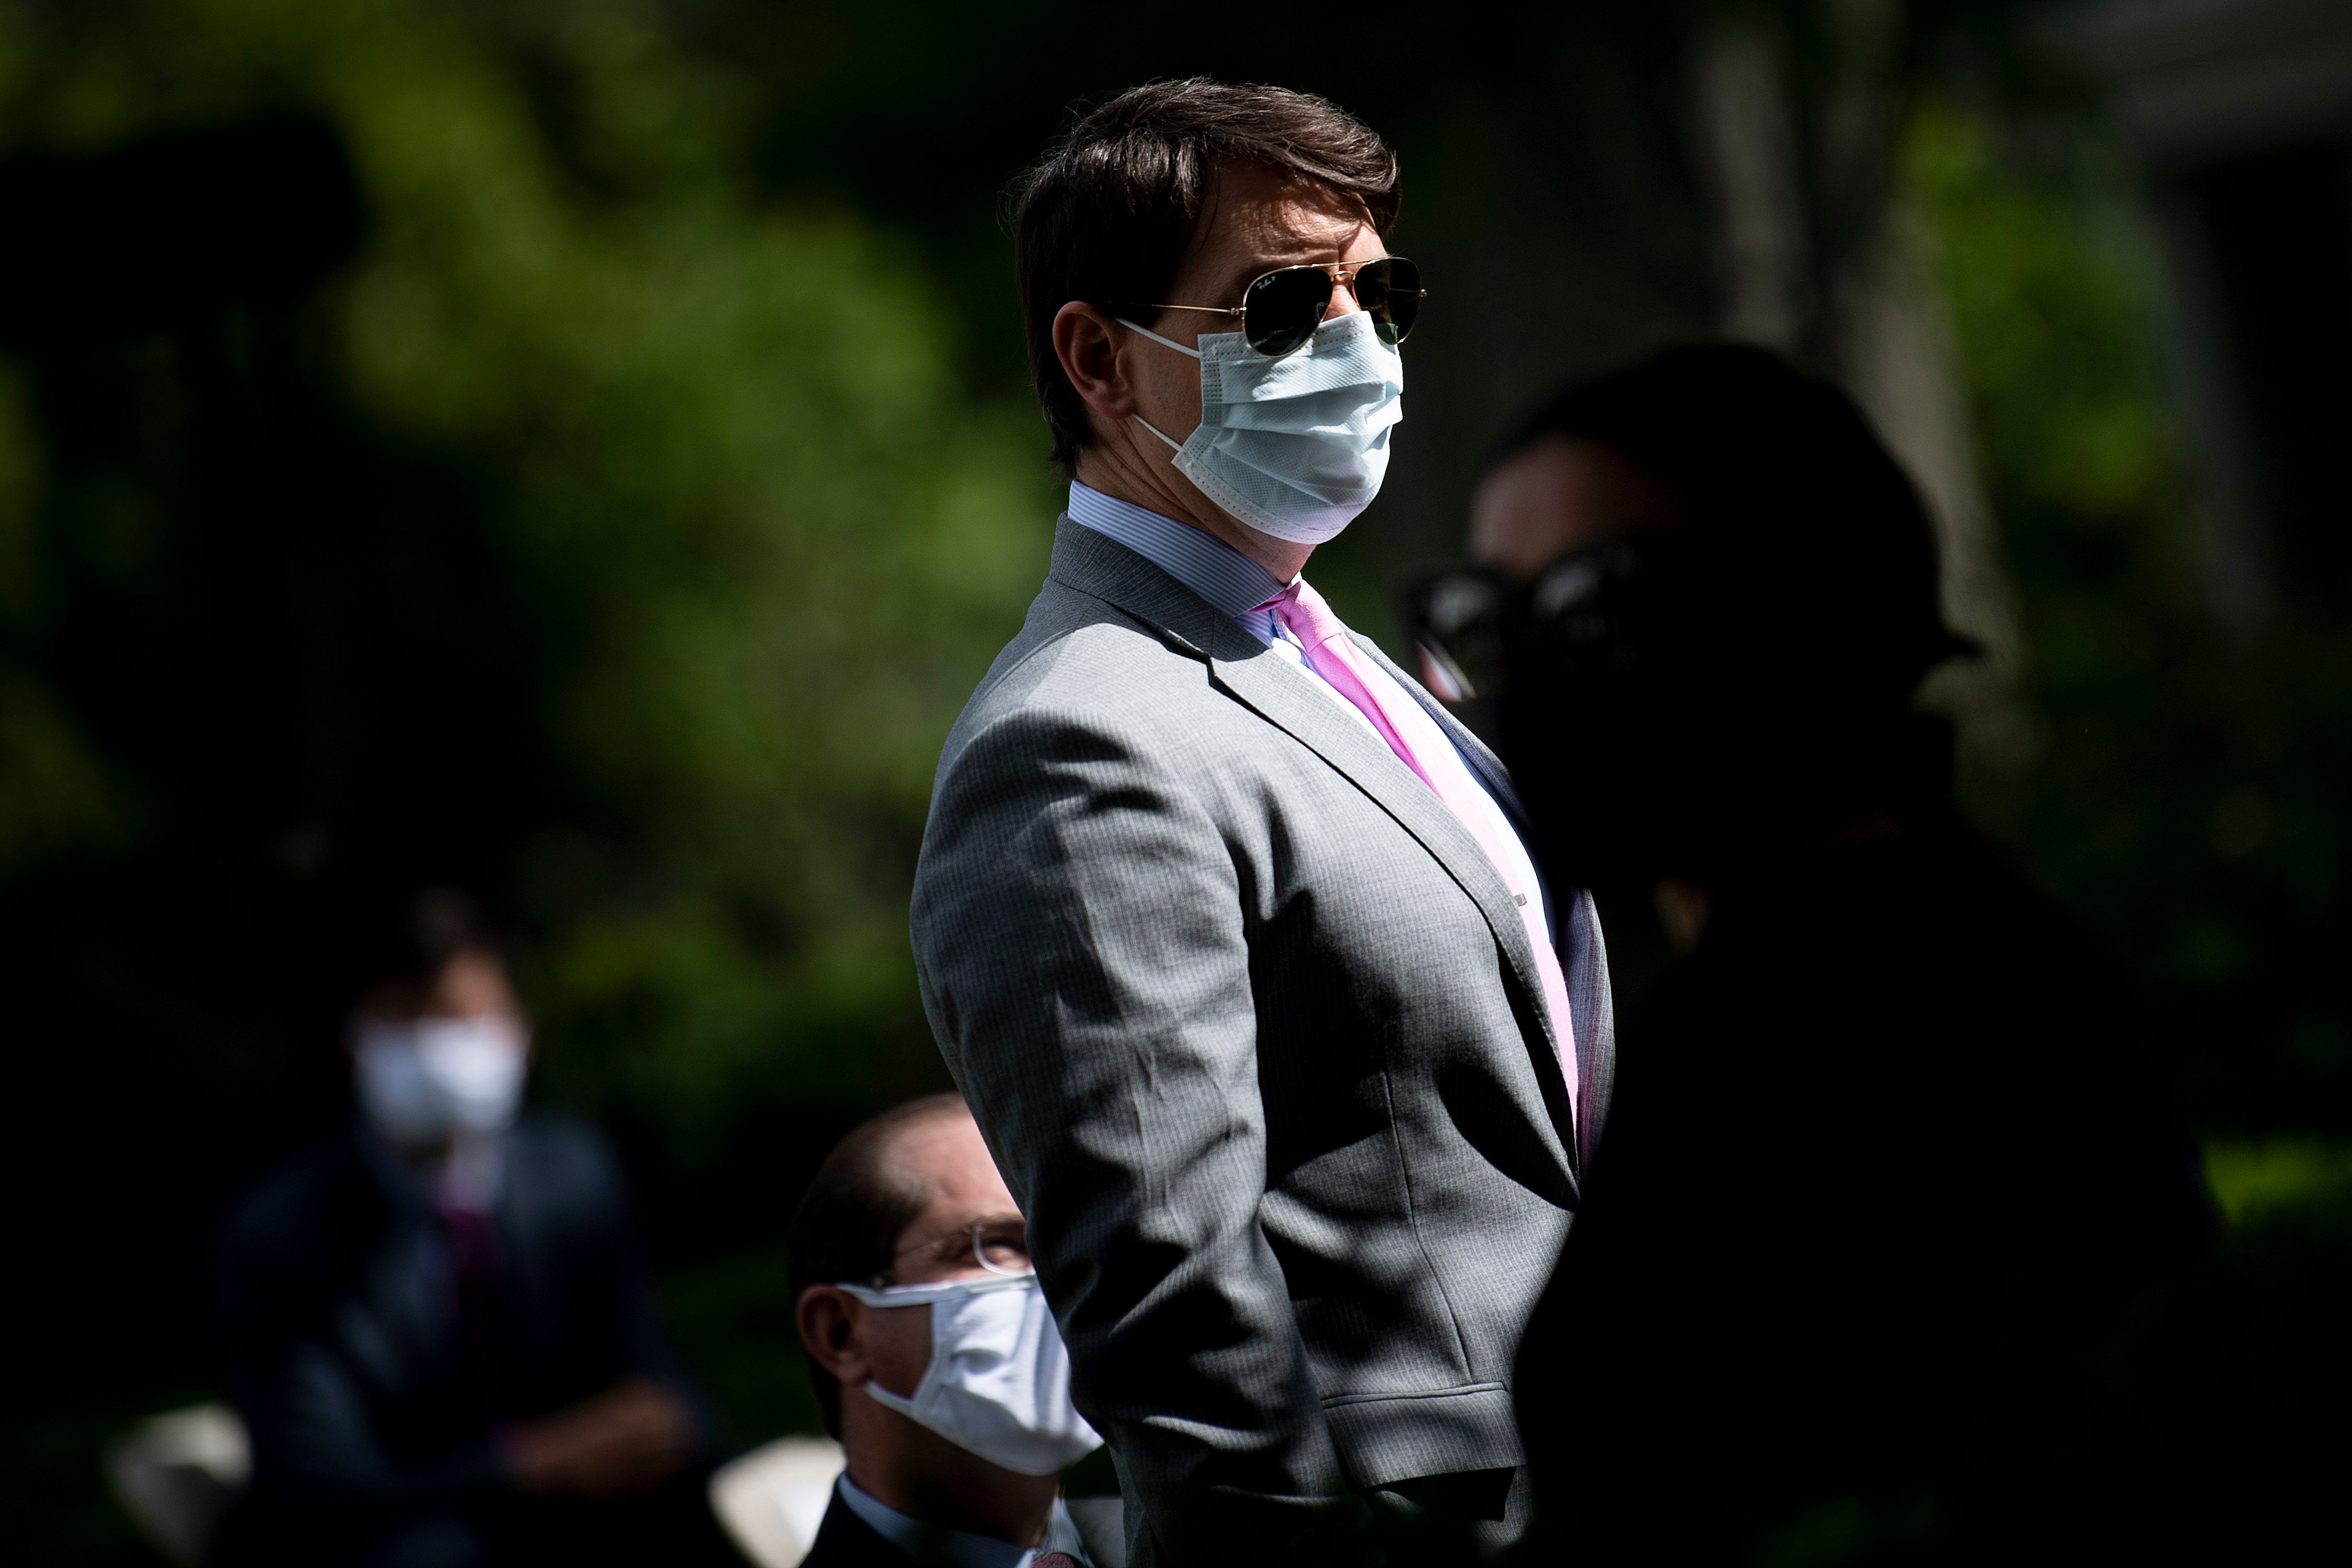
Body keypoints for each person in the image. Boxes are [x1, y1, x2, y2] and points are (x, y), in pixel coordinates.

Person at [909, 79, 1613, 1567]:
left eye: (1380, 293)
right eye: (1282, 304)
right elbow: (1176, 1323)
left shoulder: (1377, 670)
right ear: (1100, 358)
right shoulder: (1075, 741)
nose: (1355, 343)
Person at [1419, 344, 2215, 1561]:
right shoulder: (1936, 946)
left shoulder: (1850, 1015)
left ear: (1804, 611)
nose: (1523, 680)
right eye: (1483, 620)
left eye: (1595, 606)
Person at [210, 892, 732, 1567]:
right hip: (396, 1537)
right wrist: (526, 1465)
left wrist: (665, 1426)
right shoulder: (275, 1234)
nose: (434, 1047)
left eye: (459, 1016)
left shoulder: (576, 1174)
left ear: (519, 1027)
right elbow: (319, 1485)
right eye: (403, 1019)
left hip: (586, 1516)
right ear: (353, 1041)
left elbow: (649, 1371)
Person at [790, 1093, 1114, 1568]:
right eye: (998, 1246)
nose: (1061, 1274)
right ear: (841, 1333)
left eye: (1072, 1239)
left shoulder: (1188, 1536)